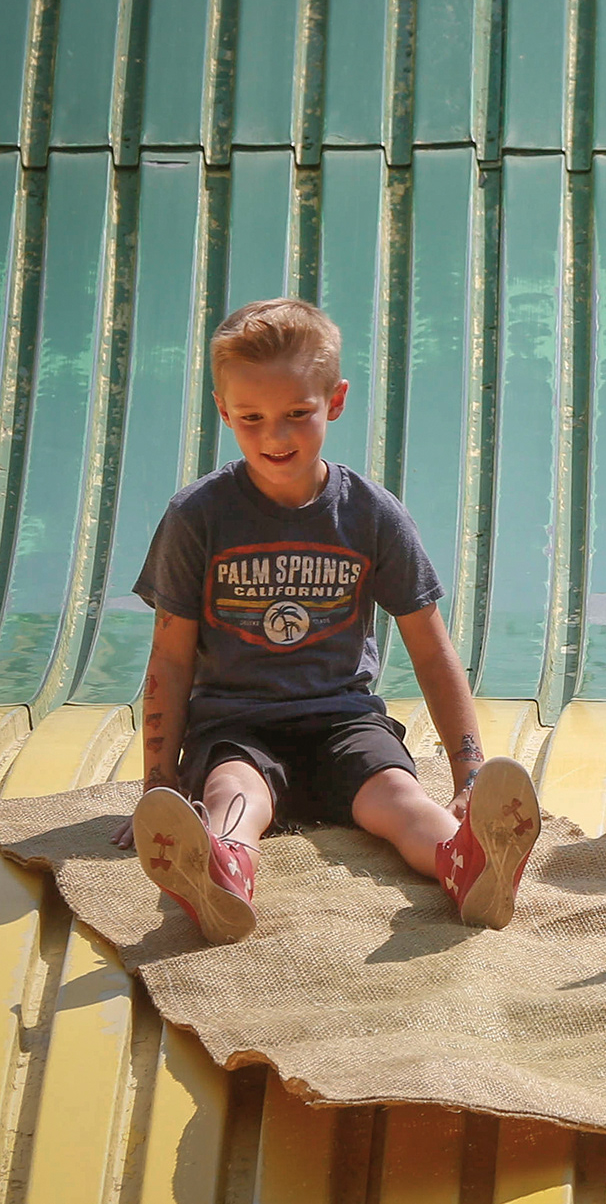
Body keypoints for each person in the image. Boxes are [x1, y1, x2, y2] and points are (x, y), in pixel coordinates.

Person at [113, 298, 541, 942]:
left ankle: (468, 862)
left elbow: (430, 649)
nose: (274, 437)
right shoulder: (197, 516)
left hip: (345, 719)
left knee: (398, 795)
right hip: (237, 720)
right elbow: (171, 656)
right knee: (234, 790)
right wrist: (158, 781)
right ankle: (222, 867)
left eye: (297, 415)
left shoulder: (371, 515)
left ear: (334, 401)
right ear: (223, 410)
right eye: (251, 418)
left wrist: (469, 775)